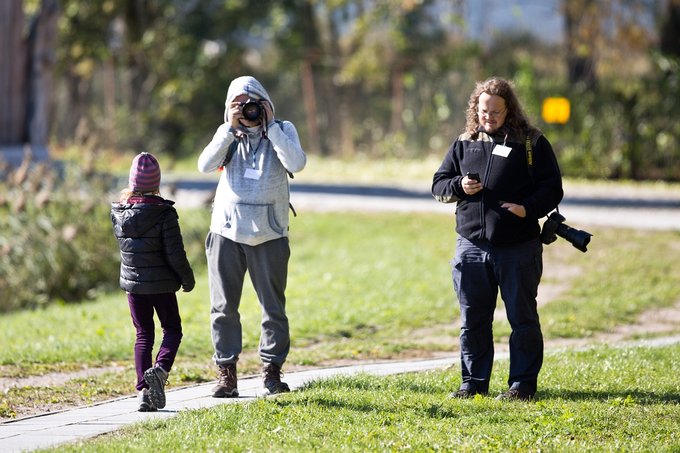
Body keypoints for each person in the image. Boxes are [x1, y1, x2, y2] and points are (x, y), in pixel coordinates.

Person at [432, 77, 563, 401]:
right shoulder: (465, 141)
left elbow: (552, 188)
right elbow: (439, 184)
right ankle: (473, 384)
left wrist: (526, 208)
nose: (488, 116)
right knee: (473, 320)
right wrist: (459, 186)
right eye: (483, 110)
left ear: (509, 110)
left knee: (522, 318)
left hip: (518, 247)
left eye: (495, 111)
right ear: (475, 108)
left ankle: (521, 386)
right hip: (471, 246)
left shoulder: (530, 142)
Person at [198, 75, 306, 397]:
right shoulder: (228, 134)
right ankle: (226, 373)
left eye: (254, 103)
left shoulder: (283, 130)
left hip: (270, 232)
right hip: (226, 231)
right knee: (223, 308)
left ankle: (272, 372)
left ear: (266, 102)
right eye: (241, 104)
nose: (249, 109)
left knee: (273, 307)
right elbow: (205, 165)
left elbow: (297, 163)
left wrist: (271, 127)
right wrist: (228, 129)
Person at [111, 152, 195, 412]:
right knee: (172, 329)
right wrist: (187, 278)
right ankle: (160, 369)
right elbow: (175, 254)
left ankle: (143, 394)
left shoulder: (119, 213)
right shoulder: (164, 214)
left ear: (132, 182)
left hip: (134, 286)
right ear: (156, 183)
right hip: (161, 285)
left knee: (143, 333)